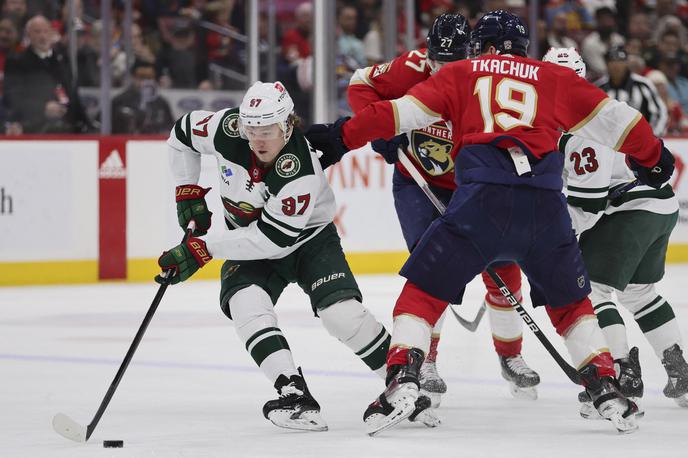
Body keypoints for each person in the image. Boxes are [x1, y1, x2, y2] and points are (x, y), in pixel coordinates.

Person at [306, 10, 674, 435]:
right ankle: (606, 387)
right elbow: (619, 120)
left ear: (482, 47)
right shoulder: (549, 77)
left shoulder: (460, 73)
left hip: (480, 203)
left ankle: (403, 378)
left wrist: (340, 136)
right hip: (545, 208)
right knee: (572, 304)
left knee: (423, 292)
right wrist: (653, 158)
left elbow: (394, 115)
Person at [154, 81, 437, 432]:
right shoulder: (227, 129)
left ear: (288, 125)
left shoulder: (298, 169)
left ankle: (402, 385)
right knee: (245, 303)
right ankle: (292, 391)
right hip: (253, 242)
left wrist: (205, 248)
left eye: (268, 130)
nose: (257, 140)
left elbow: (271, 240)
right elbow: (181, 134)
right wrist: (187, 190)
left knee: (341, 316)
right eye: (251, 129)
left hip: (309, 242)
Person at [346, 13, 540, 405]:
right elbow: (360, 84)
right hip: (418, 181)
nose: (441, 72)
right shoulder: (411, 68)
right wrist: (380, 128)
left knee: (504, 264)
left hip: (474, 184)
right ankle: (428, 360)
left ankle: (510, 355)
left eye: (452, 65)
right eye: (437, 61)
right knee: (430, 267)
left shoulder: (485, 78)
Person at [542, 47, 688, 416]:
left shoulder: (579, 128)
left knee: (592, 289)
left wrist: (551, 238)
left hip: (631, 208)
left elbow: (588, 207)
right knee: (640, 292)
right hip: (660, 204)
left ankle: (621, 374)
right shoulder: (597, 107)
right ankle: (679, 371)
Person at [3, 15, 92, 134]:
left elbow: (72, 94)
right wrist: (42, 108)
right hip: (32, 125)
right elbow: (13, 97)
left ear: (52, 34)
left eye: (46, 31)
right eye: (37, 32)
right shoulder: (16, 61)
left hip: (67, 124)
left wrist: (86, 123)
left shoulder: (63, 60)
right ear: (28, 35)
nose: (42, 36)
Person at [597, 46, 668, 137]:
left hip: (639, 140)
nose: (616, 65)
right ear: (606, 64)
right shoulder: (599, 88)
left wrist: (653, 136)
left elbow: (659, 112)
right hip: (607, 143)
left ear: (626, 63)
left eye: (620, 61)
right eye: (612, 61)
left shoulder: (643, 84)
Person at [111, 60, 174, 134]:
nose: (146, 81)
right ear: (133, 78)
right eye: (142, 77)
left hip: (155, 143)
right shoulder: (120, 101)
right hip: (126, 142)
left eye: (150, 77)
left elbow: (170, 127)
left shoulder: (161, 103)